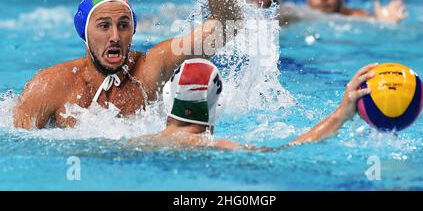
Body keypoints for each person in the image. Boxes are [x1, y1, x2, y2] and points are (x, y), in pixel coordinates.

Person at [13, 0, 242, 129]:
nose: (115, 36)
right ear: (84, 33)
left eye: (123, 25)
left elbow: (227, 27)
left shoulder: (152, 69)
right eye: (104, 26)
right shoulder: (49, 86)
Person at [131, 59, 377, 151]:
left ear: (167, 98)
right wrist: (341, 114)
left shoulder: (135, 144)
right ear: (216, 107)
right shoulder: (221, 148)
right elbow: (287, 149)